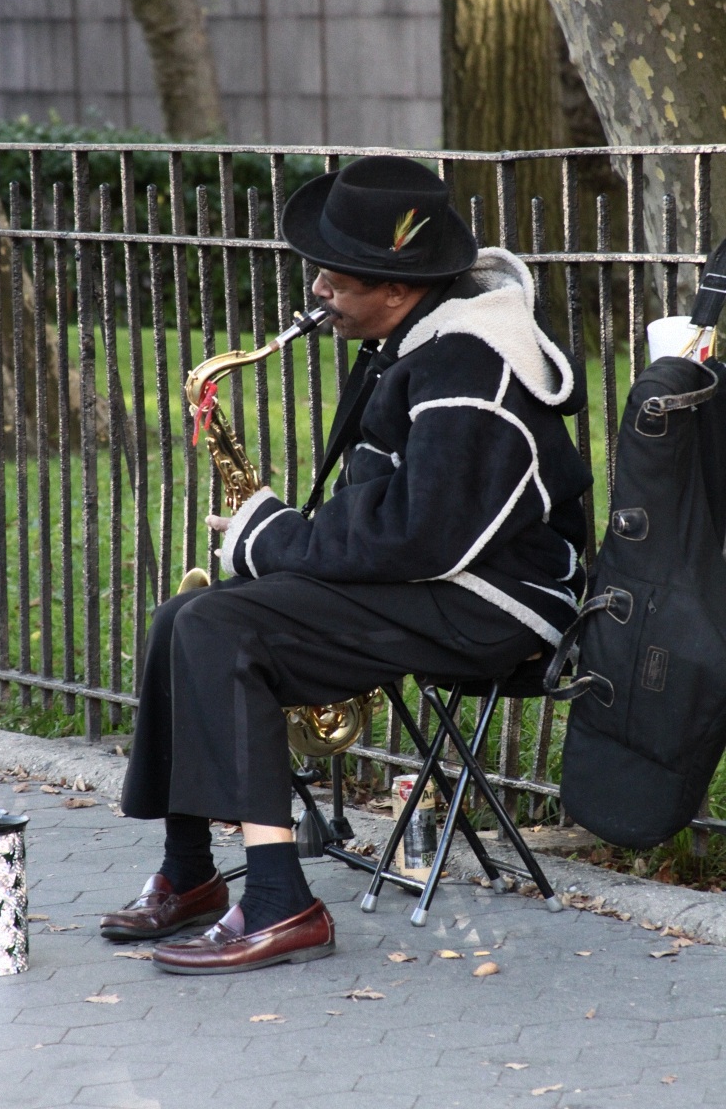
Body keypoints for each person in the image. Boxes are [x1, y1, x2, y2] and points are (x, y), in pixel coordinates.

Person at [99, 156, 592, 975]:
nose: (317, 292)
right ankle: (190, 874)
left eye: (333, 279)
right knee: (180, 619)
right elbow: (395, 516)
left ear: (395, 289)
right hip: (438, 583)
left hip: (495, 605)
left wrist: (272, 538)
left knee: (221, 622)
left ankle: (279, 901)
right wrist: (288, 539)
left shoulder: (468, 365)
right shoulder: (416, 339)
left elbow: (419, 538)